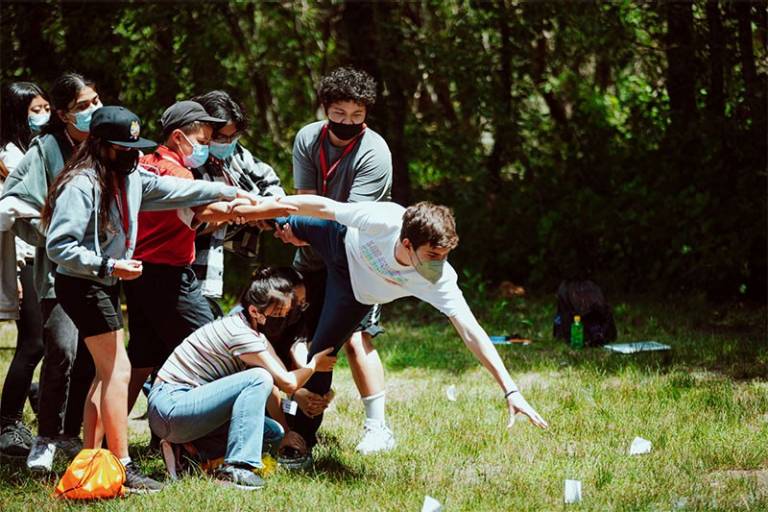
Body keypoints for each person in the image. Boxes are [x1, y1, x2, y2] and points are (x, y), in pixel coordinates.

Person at [42, 105, 281, 491]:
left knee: (111, 373)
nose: (134, 155)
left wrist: (229, 191)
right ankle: (122, 466)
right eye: (124, 148)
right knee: (117, 372)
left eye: (136, 147)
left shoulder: (129, 177)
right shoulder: (83, 182)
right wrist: (108, 266)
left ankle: (90, 458)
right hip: (83, 283)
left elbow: (177, 190)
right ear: (101, 146)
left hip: (102, 281)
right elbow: (59, 245)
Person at [233, 196, 550, 468]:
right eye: (433, 256)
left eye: (445, 256)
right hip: (340, 241)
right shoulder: (384, 220)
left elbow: (472, 332)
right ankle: (231, 208)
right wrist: (261, 208)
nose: (440, 264)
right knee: (284, 221)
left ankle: (299, 436)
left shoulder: (438, 279)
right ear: (407, 243)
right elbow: (322, 206)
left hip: (355, 294)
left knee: (321, 356)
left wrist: (511, 390)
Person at [124, 100, 286, 411]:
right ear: (177, 137)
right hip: (170, 277)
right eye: (202, 141)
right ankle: (211, 433)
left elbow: (193, 218)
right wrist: (273, 209)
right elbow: (208, 210)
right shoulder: (179, 173)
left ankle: (105, 443)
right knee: (217, 346)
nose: (206, 148)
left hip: (140, 273)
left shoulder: (143, 163)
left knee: (141, 361)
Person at [283, 67, 395, 454]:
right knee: (308, 339)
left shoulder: (375, 153)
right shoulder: (307, 139)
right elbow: (305, 196)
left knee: (355, 340)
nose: (348, 123)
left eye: (357, 116)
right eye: (340, 114)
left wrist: (304, 225)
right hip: (312, 252)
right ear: (326, 109)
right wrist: (296, 227)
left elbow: (351, 220)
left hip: (358, 258)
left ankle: (377, 427)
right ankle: (296, 426)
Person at [148, 267, 335, 490]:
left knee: (272, 433)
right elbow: (286, 382)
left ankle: (189, 452)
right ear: (255, 311)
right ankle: (237, 467)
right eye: (277, 315)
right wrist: (315, 366)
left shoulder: (252, 329)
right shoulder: (241, 334)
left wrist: (294, 420)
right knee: (258, 377)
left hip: (186, 413)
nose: (283, 319)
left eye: (286, 314)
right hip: (171, 406)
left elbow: (283, 377)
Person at [0, 73, 99, 471]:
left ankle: (71, 433)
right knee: (58, 350)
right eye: (82, 106)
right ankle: (43, 436)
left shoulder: (102, 143)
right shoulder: (43, 150)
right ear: (64, 114)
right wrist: (49, 226)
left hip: (100, 270)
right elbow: (11, 202)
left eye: (96, 102)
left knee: (91, 358)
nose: (93, 110)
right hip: (56, 272)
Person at [189, 90, 286, 316]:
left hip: (238, 250)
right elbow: (194, 219)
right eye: (221, 138)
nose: (228, 143)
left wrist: (265, 212)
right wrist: (236, 214)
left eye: (234, 137)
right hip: (195, 265)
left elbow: (269, 181)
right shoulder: (191, 162)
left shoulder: (236, 154)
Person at [0, 81, 49, 457]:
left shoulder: (33, 150)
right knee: (32, 342)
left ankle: (33, 399)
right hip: (24, 261)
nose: (43, 115)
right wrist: (14, 274)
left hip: (39, 260)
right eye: (35, 109)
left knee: (44, 342)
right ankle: (8, 423)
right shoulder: (9, 157)